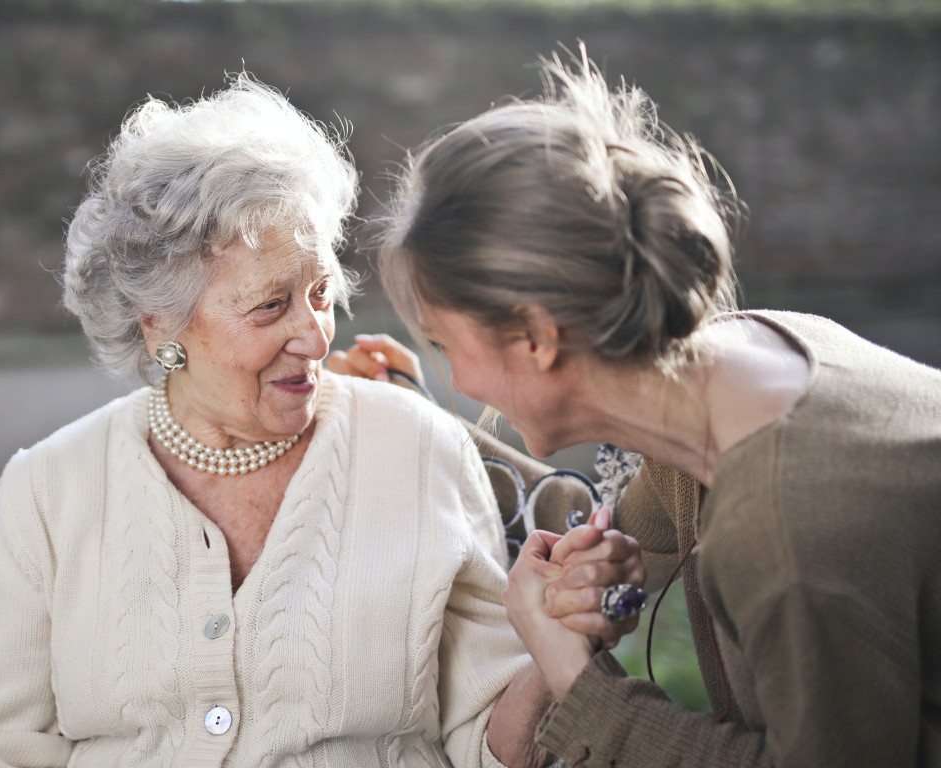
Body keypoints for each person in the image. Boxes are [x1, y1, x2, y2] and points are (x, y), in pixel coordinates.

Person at [0, 74, 643, 768]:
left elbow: (488, 745)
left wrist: (556, 643)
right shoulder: (48, 489)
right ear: (158, 324)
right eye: (271, 306)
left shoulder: (418, 448)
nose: (314, 334)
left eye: (321, 291)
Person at [360, 49, 941, 767]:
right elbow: (597, 549)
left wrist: (578, 681)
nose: (460, 379)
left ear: (538, 338)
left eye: (448, 344)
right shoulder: (735, 368)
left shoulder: (786, 527)